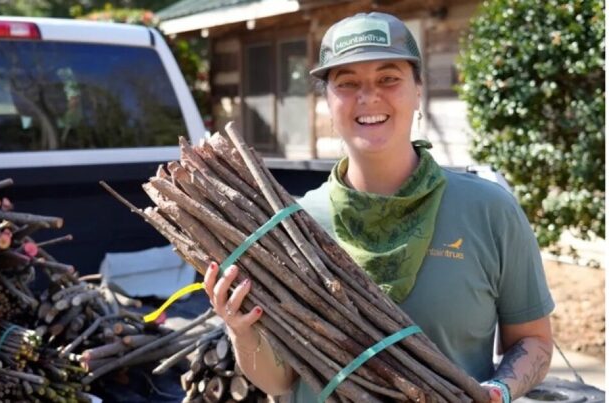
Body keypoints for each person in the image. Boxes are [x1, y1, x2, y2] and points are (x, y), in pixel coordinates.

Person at [203, 11, 554, 403]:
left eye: (388, 78)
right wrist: (241, 330)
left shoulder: (489, 211)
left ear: (418, 90)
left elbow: (533, 340)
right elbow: (281, 382)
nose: (368, 96)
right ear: (328, 101)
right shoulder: (295, 225)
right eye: (347, 82)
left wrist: (499, 391)